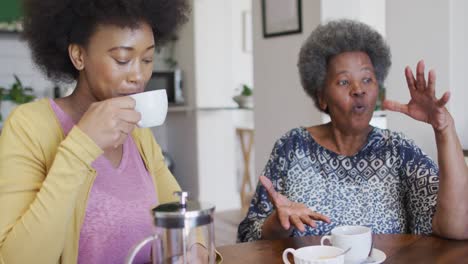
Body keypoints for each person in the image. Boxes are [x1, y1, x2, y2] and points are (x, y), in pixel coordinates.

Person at [0, 0, 201, 263]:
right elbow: (17, 259)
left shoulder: (137, 132)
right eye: (123, 59)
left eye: (148, 59)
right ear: (79, 56)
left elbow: (179, 214)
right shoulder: (29, 126)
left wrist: (199, 250)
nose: (138, 75)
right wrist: (81, 145)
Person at [237, 19, 468, 242]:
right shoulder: (292, 147)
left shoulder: (398, 151)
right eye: (344, 82)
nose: (358, 90)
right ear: (322, 97)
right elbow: (249, 235)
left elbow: (458, 227)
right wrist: (278, 224)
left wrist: (444, 128)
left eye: (367, 79)